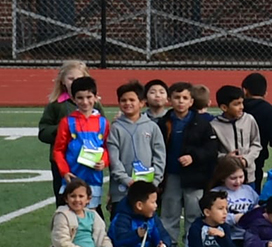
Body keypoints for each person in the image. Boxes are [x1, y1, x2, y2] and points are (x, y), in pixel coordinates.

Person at [18, 181, 120, 247]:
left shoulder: (93, 215)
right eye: (73, 196)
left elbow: (103, 237)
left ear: (88, 199)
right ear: (66, 199)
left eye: (81, 196)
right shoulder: (62, 215)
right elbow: (62, 244)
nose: (77, 200)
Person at [159, 82, 221, 235]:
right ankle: (169, 246)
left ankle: (191, 246)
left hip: (195, 177)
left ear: (191, 101)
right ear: (170, 100)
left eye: (185, 98)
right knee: (169, 212)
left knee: (194, 214)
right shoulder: (164, 122)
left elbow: (211, 149)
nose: (181, 101)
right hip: (171, 175)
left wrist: (193, 157)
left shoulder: (202, 123)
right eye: (177, 97)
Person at [51, 76, 108, 210]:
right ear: (73, 98)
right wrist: (64, 171)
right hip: (73, 177)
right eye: (80, 98)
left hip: (93, 178)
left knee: (90, 216)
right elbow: (58, 150)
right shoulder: (67, 122)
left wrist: (104, 161)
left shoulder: (103, 123)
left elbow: (106, 147)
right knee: (72, 216)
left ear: (95, 97)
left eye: (89, 97)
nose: (85, 102)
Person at [105, 81, 165, 209]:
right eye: (123, 100)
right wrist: (125, 179)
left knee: (145, 224)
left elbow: (159, 156)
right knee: (122, 222)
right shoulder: (116, 128)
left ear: (142, 103)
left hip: (147, 188)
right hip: (122, 189)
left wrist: (154, 181)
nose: (127, 103)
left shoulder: (152, 127)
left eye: (132, 100)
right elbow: (113, 158)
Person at [38, 61, 90, 199]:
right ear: (62, 81)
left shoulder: (93, 103)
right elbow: (43, 132)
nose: (74, 82)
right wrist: (61, 129)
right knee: (64, 199)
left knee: (90, 201)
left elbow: (103, 128)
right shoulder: (56, 105)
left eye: (78, 79)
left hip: (87, 160)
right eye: (71, 79)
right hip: (62, 162)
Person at [180, 189, 244, 247]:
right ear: (207, 212)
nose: (225, 212)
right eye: (220, 209)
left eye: (226, 208)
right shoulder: (196, 228)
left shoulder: (224, 227)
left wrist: (223, 237)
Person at [209, 85, 263, 186]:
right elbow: (212, 152)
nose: (241, 107)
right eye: (236, 104)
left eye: (242, 102)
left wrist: (246, 160)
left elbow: (256, 144)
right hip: (226, 177)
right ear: (224, 107)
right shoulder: (214, 125)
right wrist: (226, 158)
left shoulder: (249, 120)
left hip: (249, 176)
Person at [240, 73, 272, 182]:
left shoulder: (237, 108)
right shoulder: (271, 112)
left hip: (233, 161)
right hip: (256, 161)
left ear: (245, 91)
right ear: (265, 93)